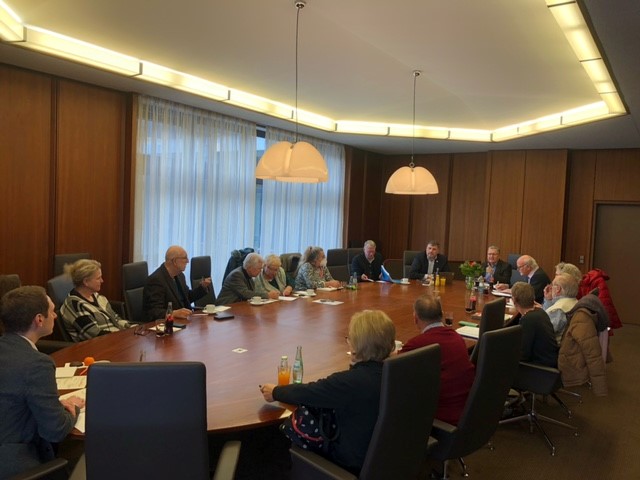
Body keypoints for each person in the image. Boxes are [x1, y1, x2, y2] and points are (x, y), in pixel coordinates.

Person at [260, 310, 396, 474]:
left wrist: (275, 391)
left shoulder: (348, 382)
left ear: (356, 346)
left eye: (350, 339)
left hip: (351, 465)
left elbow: (308, 393)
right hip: (391, 458)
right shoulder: (397, 373)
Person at [0, 286, 84, 478]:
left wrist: (52, 406)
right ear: (39, 320)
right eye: (52, 311)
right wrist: (72, 408)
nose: (55, 316)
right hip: (14, 463)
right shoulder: (37, 364)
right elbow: (55, 431)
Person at [400, 294, 475, 425]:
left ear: (415, 319)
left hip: (440, 418)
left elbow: (392, 371)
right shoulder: (457, 338)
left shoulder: (417, 345)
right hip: (466, 412)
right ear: (441, 314)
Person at [60, 259, 130, 341]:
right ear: (86, 281)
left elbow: (116, 319)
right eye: (98, 278)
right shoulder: (75, 305)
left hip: (116, 339)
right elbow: (95, 335)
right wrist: (124, 336)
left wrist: (134, 328)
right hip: (97, 347)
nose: (102, 281)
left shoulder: (99, 297)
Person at [143, 245, 213, 321]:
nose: (188, 261)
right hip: (166, 325)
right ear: (175, 261)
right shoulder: (156, 280)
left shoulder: (180, 276)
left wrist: (202, 288)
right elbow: (153, 312)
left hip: (182, 322)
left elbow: (187, 297)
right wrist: (173, 313)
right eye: (185, 258)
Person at [508, 282, 558, 367]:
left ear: (514, 300)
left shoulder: (528, 319)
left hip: (538, 369)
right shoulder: (540, 312)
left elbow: (523, 355)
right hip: (548, 362)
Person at [542, 273, 579, 344]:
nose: (550, 288)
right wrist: (548, 299)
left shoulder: (557, 310)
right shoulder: (575, 301)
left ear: (558, 289)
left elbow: (544, 332)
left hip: (555, 348)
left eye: (552, 285)